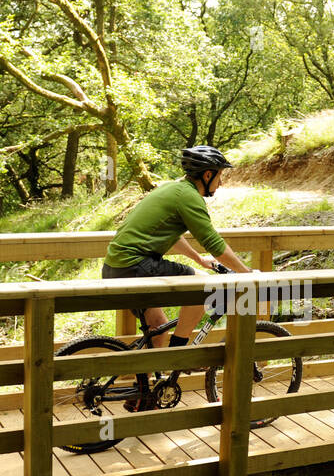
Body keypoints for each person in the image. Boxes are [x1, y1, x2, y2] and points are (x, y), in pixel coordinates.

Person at [102, 145, 253, 349]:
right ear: (208, 175)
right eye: (219, 176)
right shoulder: (188, 197)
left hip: (116, 268)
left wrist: (199, 259)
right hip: (135, 266)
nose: (221, 182)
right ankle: (179, 351)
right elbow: (213, 242)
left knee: (158, 327)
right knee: (202, 285)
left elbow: (170, 235)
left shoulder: (171, 189)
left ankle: (145, 381)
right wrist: (246, 273)